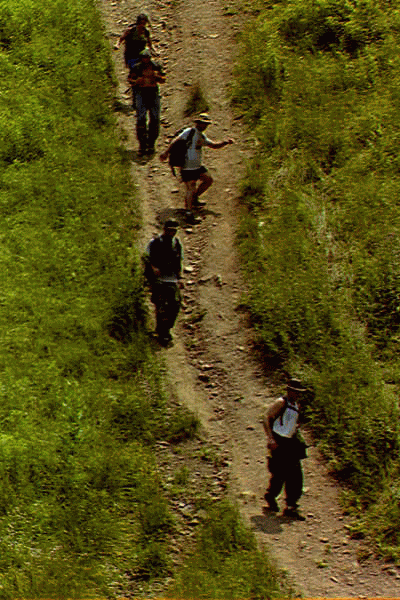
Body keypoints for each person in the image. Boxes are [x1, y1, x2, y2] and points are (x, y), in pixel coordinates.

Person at [160, 113, 234, 224]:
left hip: (197, 166)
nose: (204, 126)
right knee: (191, 187)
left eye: (206, 124)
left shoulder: (201, 136)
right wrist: (166, 153)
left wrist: (224, 143)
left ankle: (194, 199)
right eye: (203, 123)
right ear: (198, 123)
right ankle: (188, 211)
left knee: (208, 180)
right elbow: (175, 141)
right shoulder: (189, 132)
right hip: (187, 166)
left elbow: (213, 145)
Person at [262, 378, 309, 520]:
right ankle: (271, 496)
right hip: (279, 441)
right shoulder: (281, 403)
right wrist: (270, 438)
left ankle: (291, 505)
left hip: (290, 442)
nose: (296, 394)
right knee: (279, 473)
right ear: (289, 390)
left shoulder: (296, 406)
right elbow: (266, 417)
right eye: (294, 391)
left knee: (295, 474)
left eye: (298, 392)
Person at [146, 219, 183, 346]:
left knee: (175, 305)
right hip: (159, 279)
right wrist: (152, 270)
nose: (172, 232)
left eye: (174, 230)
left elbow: (178, 261)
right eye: (170, 230)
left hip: (171, 279)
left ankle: (166, 328)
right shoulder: (155, 243)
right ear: (164, 229)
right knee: (161, 306)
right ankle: (163, 333)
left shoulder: (176, 243)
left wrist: (180, 277)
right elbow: (147, 258)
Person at [129, 49, 166, 156]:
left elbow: (163, 78)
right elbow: (130, 79)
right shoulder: (136, 67)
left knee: (155, 118)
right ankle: (142, 144)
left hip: (153, 92)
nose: (146, 60)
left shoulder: (156, 66)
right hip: (141, 92)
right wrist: (137, 81)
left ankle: (151, 143)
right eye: (144, 58)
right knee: (141, 118)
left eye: (147, 58)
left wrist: (157, 77)